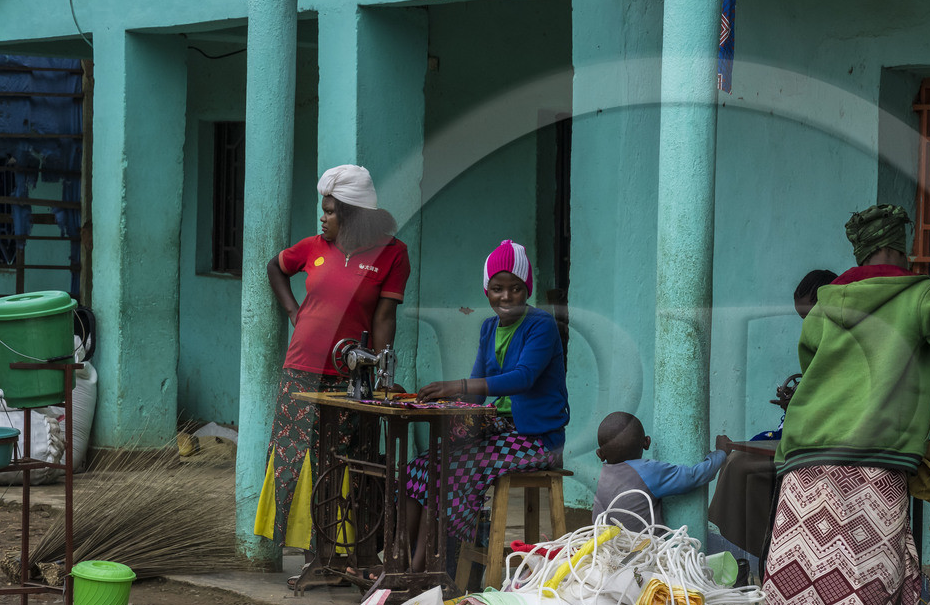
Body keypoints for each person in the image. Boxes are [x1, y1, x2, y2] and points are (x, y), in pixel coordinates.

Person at [764, 205, 930, 605]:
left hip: (808, 450)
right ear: (898, 245)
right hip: (878, 455)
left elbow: (809, 365)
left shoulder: (827, 301)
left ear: (861, 249)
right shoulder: (921, 294)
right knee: (867, 568)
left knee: (799, 568)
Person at [254, 164, 409, 561]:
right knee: (296, 454)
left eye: (330, 211)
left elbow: (384, 317)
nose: (322, 218)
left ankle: (337, 552)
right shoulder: (312, 248)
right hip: (300, 369)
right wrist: (294, 312)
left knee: (342, 459)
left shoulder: (392, 254)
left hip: (350, 376)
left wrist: (382, 372)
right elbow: (275, 267)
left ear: (352, 216)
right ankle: (307, 551)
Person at [404, 239, 568, 568]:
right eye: (497, 289)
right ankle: (405, 566)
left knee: (451, 470)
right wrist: (433, 397)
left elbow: (523, 378)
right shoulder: (488, 328)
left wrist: (458, 384)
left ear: (527, 290)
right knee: (420, 468)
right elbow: (477, 396)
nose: (506, 297)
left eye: (516, 289)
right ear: (486, 290)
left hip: (538, 439)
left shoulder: (542, 326)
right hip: (500, 432)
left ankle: (434, 570)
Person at [709, 268, 836, 568]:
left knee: (740, 466)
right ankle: (760, 551)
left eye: (810, 318)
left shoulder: (840, 345)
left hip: (821, 444)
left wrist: (800, 404)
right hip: (800, 435)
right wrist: (793, 403)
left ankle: (765, 552)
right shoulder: (820, 345)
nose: (807, 327)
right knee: (735, 460)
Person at [593, 412, 727, 532]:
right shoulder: (647, 471)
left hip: (605, 546)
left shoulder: (604, 474)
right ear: (646, 442)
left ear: (600, 455)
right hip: (641, 551)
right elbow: (693, 476)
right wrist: (721, 452)